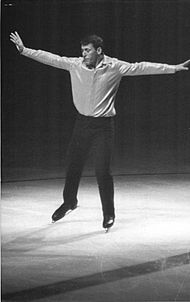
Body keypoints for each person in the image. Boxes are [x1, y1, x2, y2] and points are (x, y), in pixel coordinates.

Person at [10, 31, 190, 231]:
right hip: (81, 124)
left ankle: (109, 213)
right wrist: (24, 50)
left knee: (102, 171)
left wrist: (174, 68)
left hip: (103, 128)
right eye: (82, 50)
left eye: (87, 50)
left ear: (99, 50)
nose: (83, 54)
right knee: (73, 165)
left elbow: (142, 67)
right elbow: (52, 58)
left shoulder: (115, 67)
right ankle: (69, 202)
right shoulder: (75, 64)